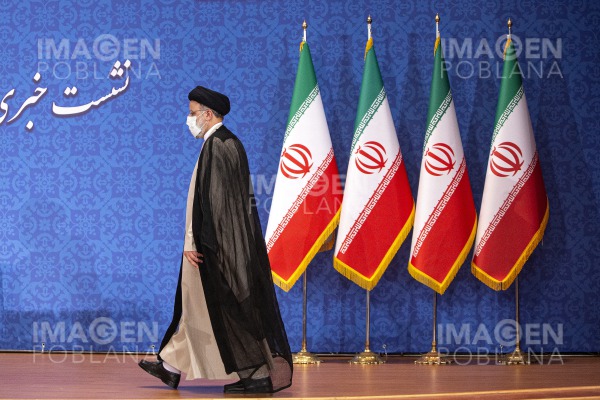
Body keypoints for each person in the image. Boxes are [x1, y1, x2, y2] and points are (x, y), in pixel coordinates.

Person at [138, 86, 293, 394]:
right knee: (195, 309)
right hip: (216, 246)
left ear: (208, 114)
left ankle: (258, 374)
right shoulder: (224, 143)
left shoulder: (218, 146)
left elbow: (216, 204)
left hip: (211, 249)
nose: (189, 119)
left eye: (193, 113)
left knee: (224, 309)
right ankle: (170, 366)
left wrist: (200, 245)